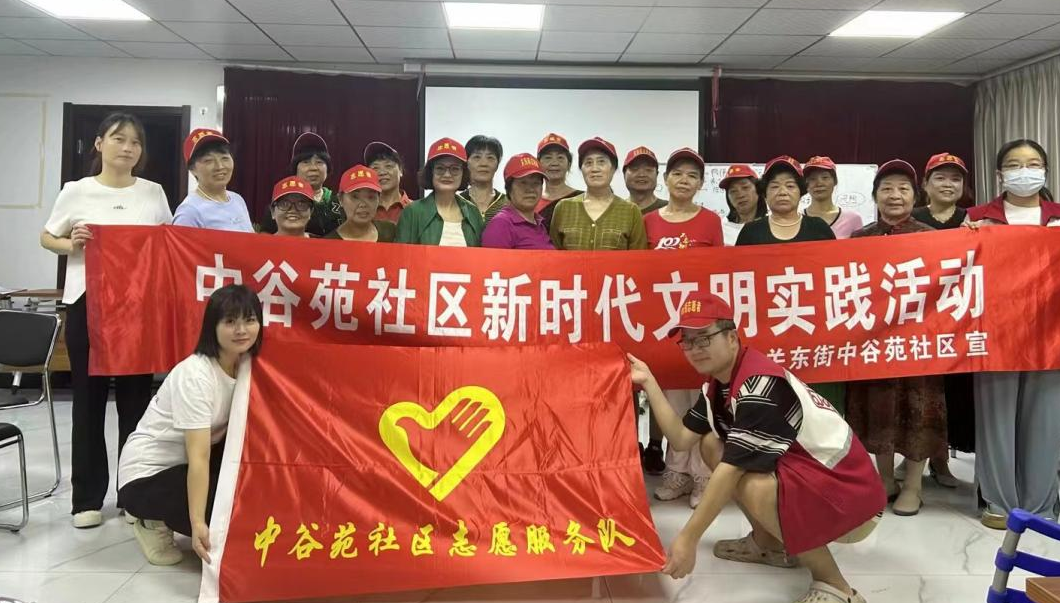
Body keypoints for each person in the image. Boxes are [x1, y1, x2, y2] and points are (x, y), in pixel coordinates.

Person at [628, 292, 884, 603]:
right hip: (821, 483)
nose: (695, 349)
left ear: (731, 337)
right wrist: (649, 381)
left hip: (851, 498)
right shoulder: (719, 385)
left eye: (704, 338)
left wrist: (688, 539)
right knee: (710, 444)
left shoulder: (758, 384)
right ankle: (769, 546)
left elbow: (731, 470)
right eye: (688, 342)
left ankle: (837, 587)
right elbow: (681, 438)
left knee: (754, 484)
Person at [39, 112, 173, 528]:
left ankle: (132, 495)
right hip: (87, 304)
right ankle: (86, 499)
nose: (128, 147)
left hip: (137, 308)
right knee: (88, 400)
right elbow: (47, 236)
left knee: (136, 403)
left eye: (135, 141)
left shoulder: (153, 193)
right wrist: (71, 244)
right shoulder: (76, 191)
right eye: (119, 139)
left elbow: (169, 244)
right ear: (99, 144)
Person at [117, 284, 262, 565]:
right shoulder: (195, 375)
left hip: (187, 464)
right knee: (222, 514)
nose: (241, 330)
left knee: (249, 498)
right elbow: (199, 457)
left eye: (249, 320)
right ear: (212, 327)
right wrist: (197, 523)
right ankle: (149, 520)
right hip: (148, 474)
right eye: (230, 322)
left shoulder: (246, 363)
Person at [965, 138, 1060, 528]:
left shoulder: (1058, 218)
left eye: (1034, 164)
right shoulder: (977, 218)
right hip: (995, 333)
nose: (1025, 172)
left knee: (1046, 419)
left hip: (1050, 335)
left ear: (1046, 172)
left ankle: (1040, 506)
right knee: (996, 419)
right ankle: (999, 503)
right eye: (1015, 164)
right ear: (1000, 174)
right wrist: (965, 238)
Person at [845, 160, 946, 518]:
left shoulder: (933, 237)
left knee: (918, 409)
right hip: (874, 343)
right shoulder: (860, 239)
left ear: (915, 196)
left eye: (903, 188)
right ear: (875, 196)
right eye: (886, 188)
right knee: (878, 408)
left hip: (919, 343)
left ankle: (914, 485)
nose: (895, 195)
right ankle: (885, 479)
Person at [642, 148, 723, 507]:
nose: (684, 180)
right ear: (666, 179)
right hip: (663, 323)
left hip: (701, 324)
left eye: (692, 175)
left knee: (701, 400)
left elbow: (720, 272)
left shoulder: (710, 221)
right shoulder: (648, 221)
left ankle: (703, 476)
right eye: (677, 173)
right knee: (672, 400)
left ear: (701, 184)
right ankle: (677, 472)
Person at [901, 152, 974, 489]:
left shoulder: (972, 220)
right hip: (917, 318)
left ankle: (941, 459)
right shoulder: (910, 219)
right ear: (925, 185)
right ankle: (911, 458)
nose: (948, 184)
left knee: (951, 393)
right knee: (917, 393)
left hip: (958, 321)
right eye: (940, 178)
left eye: (955, 179)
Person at [549, 137, 647, 250]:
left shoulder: (631, 211)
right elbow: (553, 255)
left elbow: (639, 257)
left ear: (613, 168)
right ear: (582, 169)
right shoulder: (563, 208)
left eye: (601, 162)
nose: (594, 169)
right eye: (588, 163)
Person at [396, 138, 483, 247]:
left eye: (454, 169)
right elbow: (401, 255)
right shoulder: (413, 212)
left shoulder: (473, 212)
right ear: (430, 172)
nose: (447, 175)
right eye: (440, 168)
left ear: (463, 173)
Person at [736, 156, 835, 246]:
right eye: (775, 186)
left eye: (790, 186)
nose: (782, 192)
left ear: (801, 192)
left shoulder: (818, 228)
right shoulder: (750, 232)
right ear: (765, 193)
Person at [172, 129, 253, 232]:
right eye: (208, 160)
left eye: (224, 158)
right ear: (192, 169)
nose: (220, 166)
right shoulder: (189, 212)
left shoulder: (237, 200)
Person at [259, 132, 340, 235]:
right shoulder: (280, 203)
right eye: (306, 162)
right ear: (295, 169)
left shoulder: (339, 201)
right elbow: (264, 238)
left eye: (319, 162)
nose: (313, 168)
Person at [481, 153, 553, 250]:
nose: (530, 189)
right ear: (509, 188)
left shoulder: (540, 224)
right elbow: (493, 260)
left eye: (536, 183)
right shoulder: (501, 224)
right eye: (523, 183)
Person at [324, 165, 396, 243]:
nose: (363, 204)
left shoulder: (391, 232)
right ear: (340, 199)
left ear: (379, 199)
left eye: (370, 197)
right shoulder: (328, 243)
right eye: (355, 197)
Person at [803, 156, 862, 238]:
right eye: (812, 179)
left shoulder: (853, 219)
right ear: (806, 184)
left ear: (835, 181)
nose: (819, 183)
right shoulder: (797, 220)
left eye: (825, 177)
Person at [535, 133, 583, 231]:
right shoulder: (530, 202)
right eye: (548, 158)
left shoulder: (582, 200)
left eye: (560, 157)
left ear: (569, 164)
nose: (554, 163)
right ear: (538, 164)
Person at [460, 134, 507, 223]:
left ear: (497, 165)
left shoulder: (509, 204)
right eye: (477, 157)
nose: (484, 164)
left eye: (490, 158)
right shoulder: (456, 203)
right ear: (466, 163)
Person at [364, 141, 412, 223]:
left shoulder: (417, 210)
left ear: (400, 170)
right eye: (375, 168)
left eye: (388, 166)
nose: (382, 172)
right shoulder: (363, 212)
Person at [719, 164, 764, 246]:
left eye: (745, 187)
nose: (740, 195)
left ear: (758, 190)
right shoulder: (721, 228)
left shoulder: (772, 224)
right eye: (733, 191)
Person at [624, 146, 667, 215]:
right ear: (624, 174)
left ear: (657, 174)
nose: (642, 174)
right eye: (635, 169)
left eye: (648, 169)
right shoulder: (615, 210)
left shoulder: (670, 209)